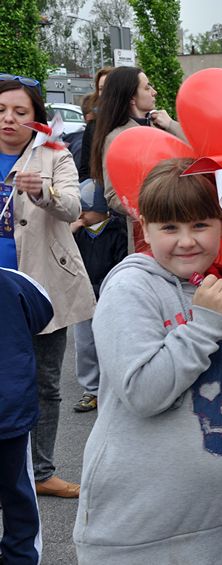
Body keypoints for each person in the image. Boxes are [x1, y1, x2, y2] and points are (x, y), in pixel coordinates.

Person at [73, 158, 222, 564]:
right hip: (136, 533)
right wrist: (203, 324)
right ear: (145, 229)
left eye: (200, 225)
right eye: (170, 227)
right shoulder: (130, 289)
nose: (186, 241)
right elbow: (143, 393)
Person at [0, 76, 96, 498]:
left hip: (42, 288)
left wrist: (45, 192)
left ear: (36, 117)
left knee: (44, 383)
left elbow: (74, 207)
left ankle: (41, 471)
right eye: (1, 110)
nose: (9, 119)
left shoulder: (54, 153)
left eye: (20, 112)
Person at [89, 65, 185, 251]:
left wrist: (171, 124)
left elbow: (195, 150)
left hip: (181, 219)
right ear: (132, 97)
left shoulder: (160, 126)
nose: (154, 92)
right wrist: (155, 206)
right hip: (146, 234)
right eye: (147, 87)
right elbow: (113, 195)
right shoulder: (117, 138)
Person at [0, 268, 53, 565]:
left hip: (10, 410)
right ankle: (21, 557)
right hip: (10, 409)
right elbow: (43, 309)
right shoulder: (11, 280)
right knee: (17, 491)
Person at [70, 180, 128, 412]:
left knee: (110, 343)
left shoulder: (117, 232)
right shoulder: (78, 233)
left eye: (86, 209)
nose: (81, 214)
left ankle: (113, 387)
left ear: (103, 210)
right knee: (84, 345)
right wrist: (69, 233)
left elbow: (121, 263)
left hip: (108, 296)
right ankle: (91, 389)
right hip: (83, 297)